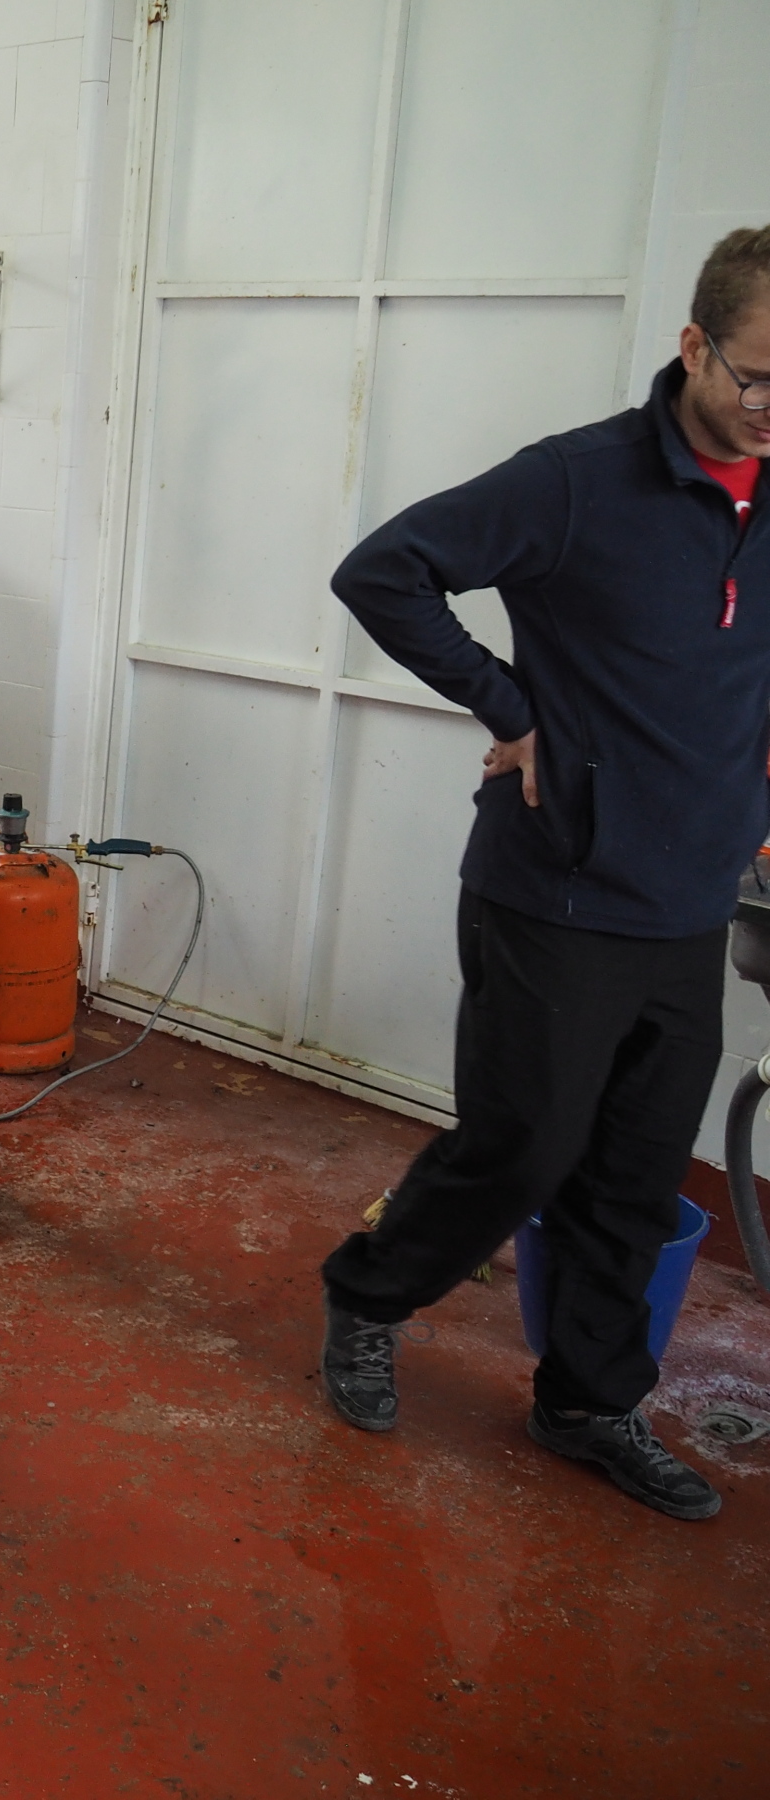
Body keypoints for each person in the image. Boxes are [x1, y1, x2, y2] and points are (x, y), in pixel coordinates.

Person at [318, 225, 770, 1521]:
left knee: (637, 1172)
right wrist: (513, 712)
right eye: (758, 377)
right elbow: (384, 571)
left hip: (693, 896)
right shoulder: (579, 482)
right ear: (693, 347)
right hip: (558, 886)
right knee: (523, 1149)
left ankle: (588, 1399)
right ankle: (369, 1294)